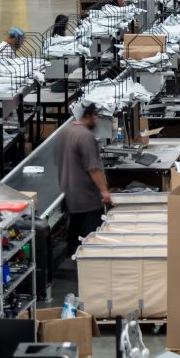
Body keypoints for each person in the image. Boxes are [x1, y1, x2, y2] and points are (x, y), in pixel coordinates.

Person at [56, 103, 112, 256]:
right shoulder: (86, 136)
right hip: (87, 196)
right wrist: (104, 191)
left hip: (70, 192)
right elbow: (93, 168)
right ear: (87, 116)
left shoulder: (65, 131)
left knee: (75, 232)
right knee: (90, 238)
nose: (96, 119)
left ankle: (72, 254)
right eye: (94, 115)